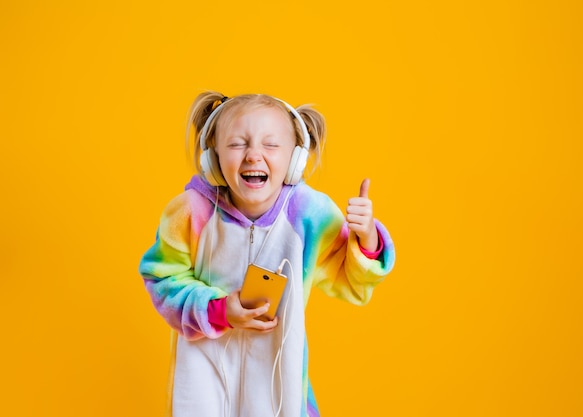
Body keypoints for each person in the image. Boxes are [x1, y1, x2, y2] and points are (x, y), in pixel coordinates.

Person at [139, 91, 396, 417]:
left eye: (271, 145)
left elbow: (351, 279)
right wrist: (218, 310)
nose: (253, 156)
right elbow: (160, 278)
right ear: (213, 155)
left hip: (279, 387)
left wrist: (367, 238)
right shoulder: (191, 212)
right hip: (204, 384)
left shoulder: (310, 215)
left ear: (295, 159)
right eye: (237, 144)